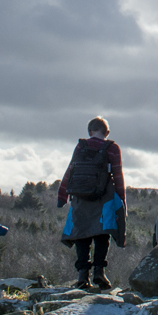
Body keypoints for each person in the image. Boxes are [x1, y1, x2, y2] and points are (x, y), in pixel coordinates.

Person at [57, 116, 126, 290]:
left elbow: (70, 170)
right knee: (102, 234)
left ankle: (82, 275)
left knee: (81, 235)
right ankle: (99, 272)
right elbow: (118, 176)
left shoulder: (81, 146)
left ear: (90, 131)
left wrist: (62, 195)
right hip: (104, 198)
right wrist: (122, 201)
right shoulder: (112, 148)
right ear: (106, 132)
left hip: (80, 198)